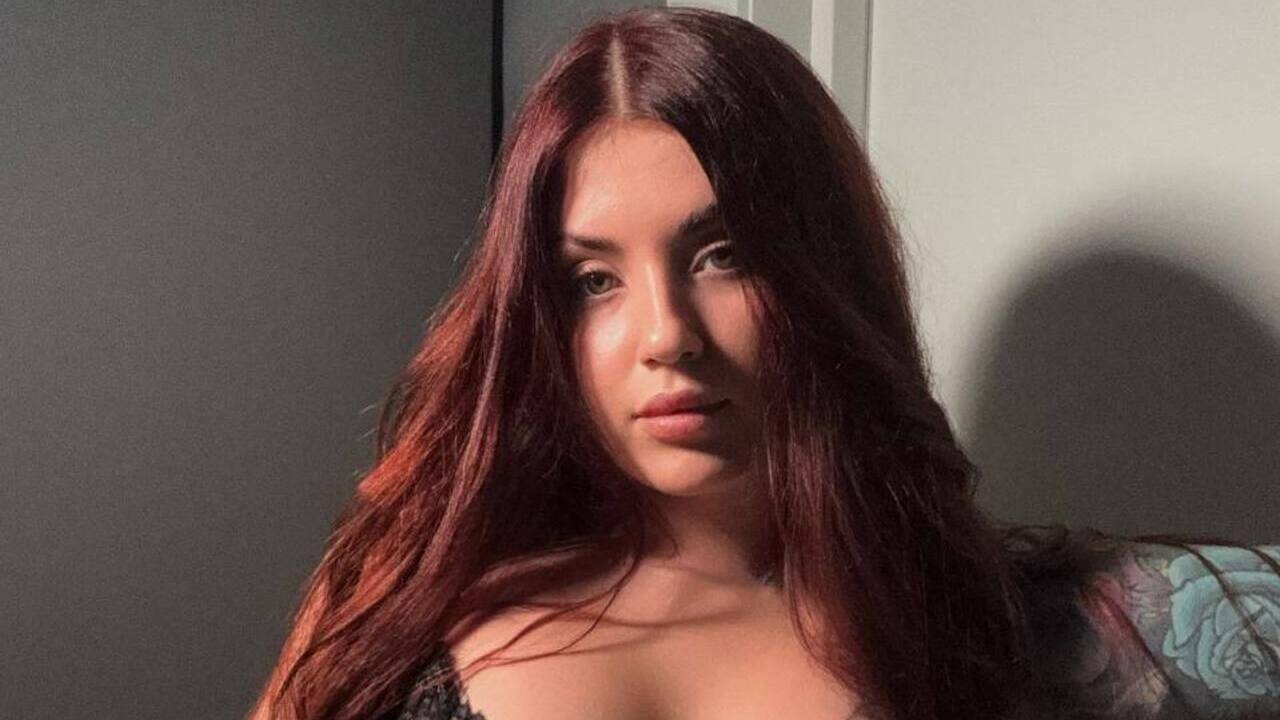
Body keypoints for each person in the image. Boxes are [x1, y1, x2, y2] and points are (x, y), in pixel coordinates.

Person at [248, 7, 1280, 720]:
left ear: (819, 272)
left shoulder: (965, 622)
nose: (666, 335)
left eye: (722, 255)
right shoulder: (394, 597)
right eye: (593, 281)